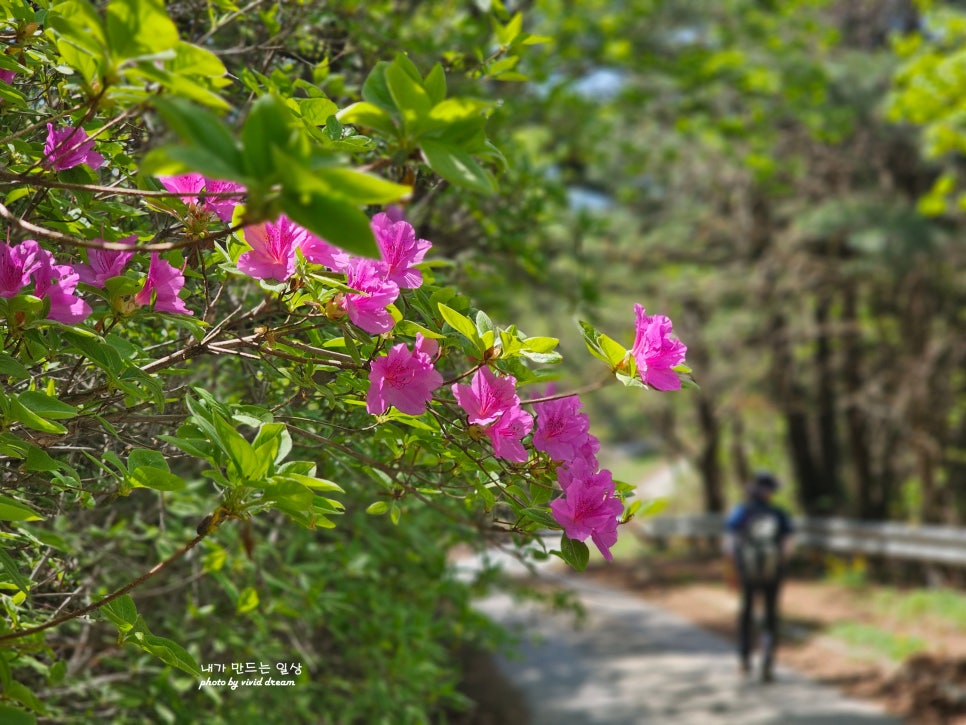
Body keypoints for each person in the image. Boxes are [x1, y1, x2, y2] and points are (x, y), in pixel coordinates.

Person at [723, 472, 793, 683]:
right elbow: (787, 546)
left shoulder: (741, 512)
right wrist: (780, 567)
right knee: (771, 614)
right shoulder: (779, 514)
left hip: (748, 570)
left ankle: (744, 658)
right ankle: (768, 660)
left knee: (747, 612)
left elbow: (729, 544)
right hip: (772, 572)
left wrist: (732, 571)